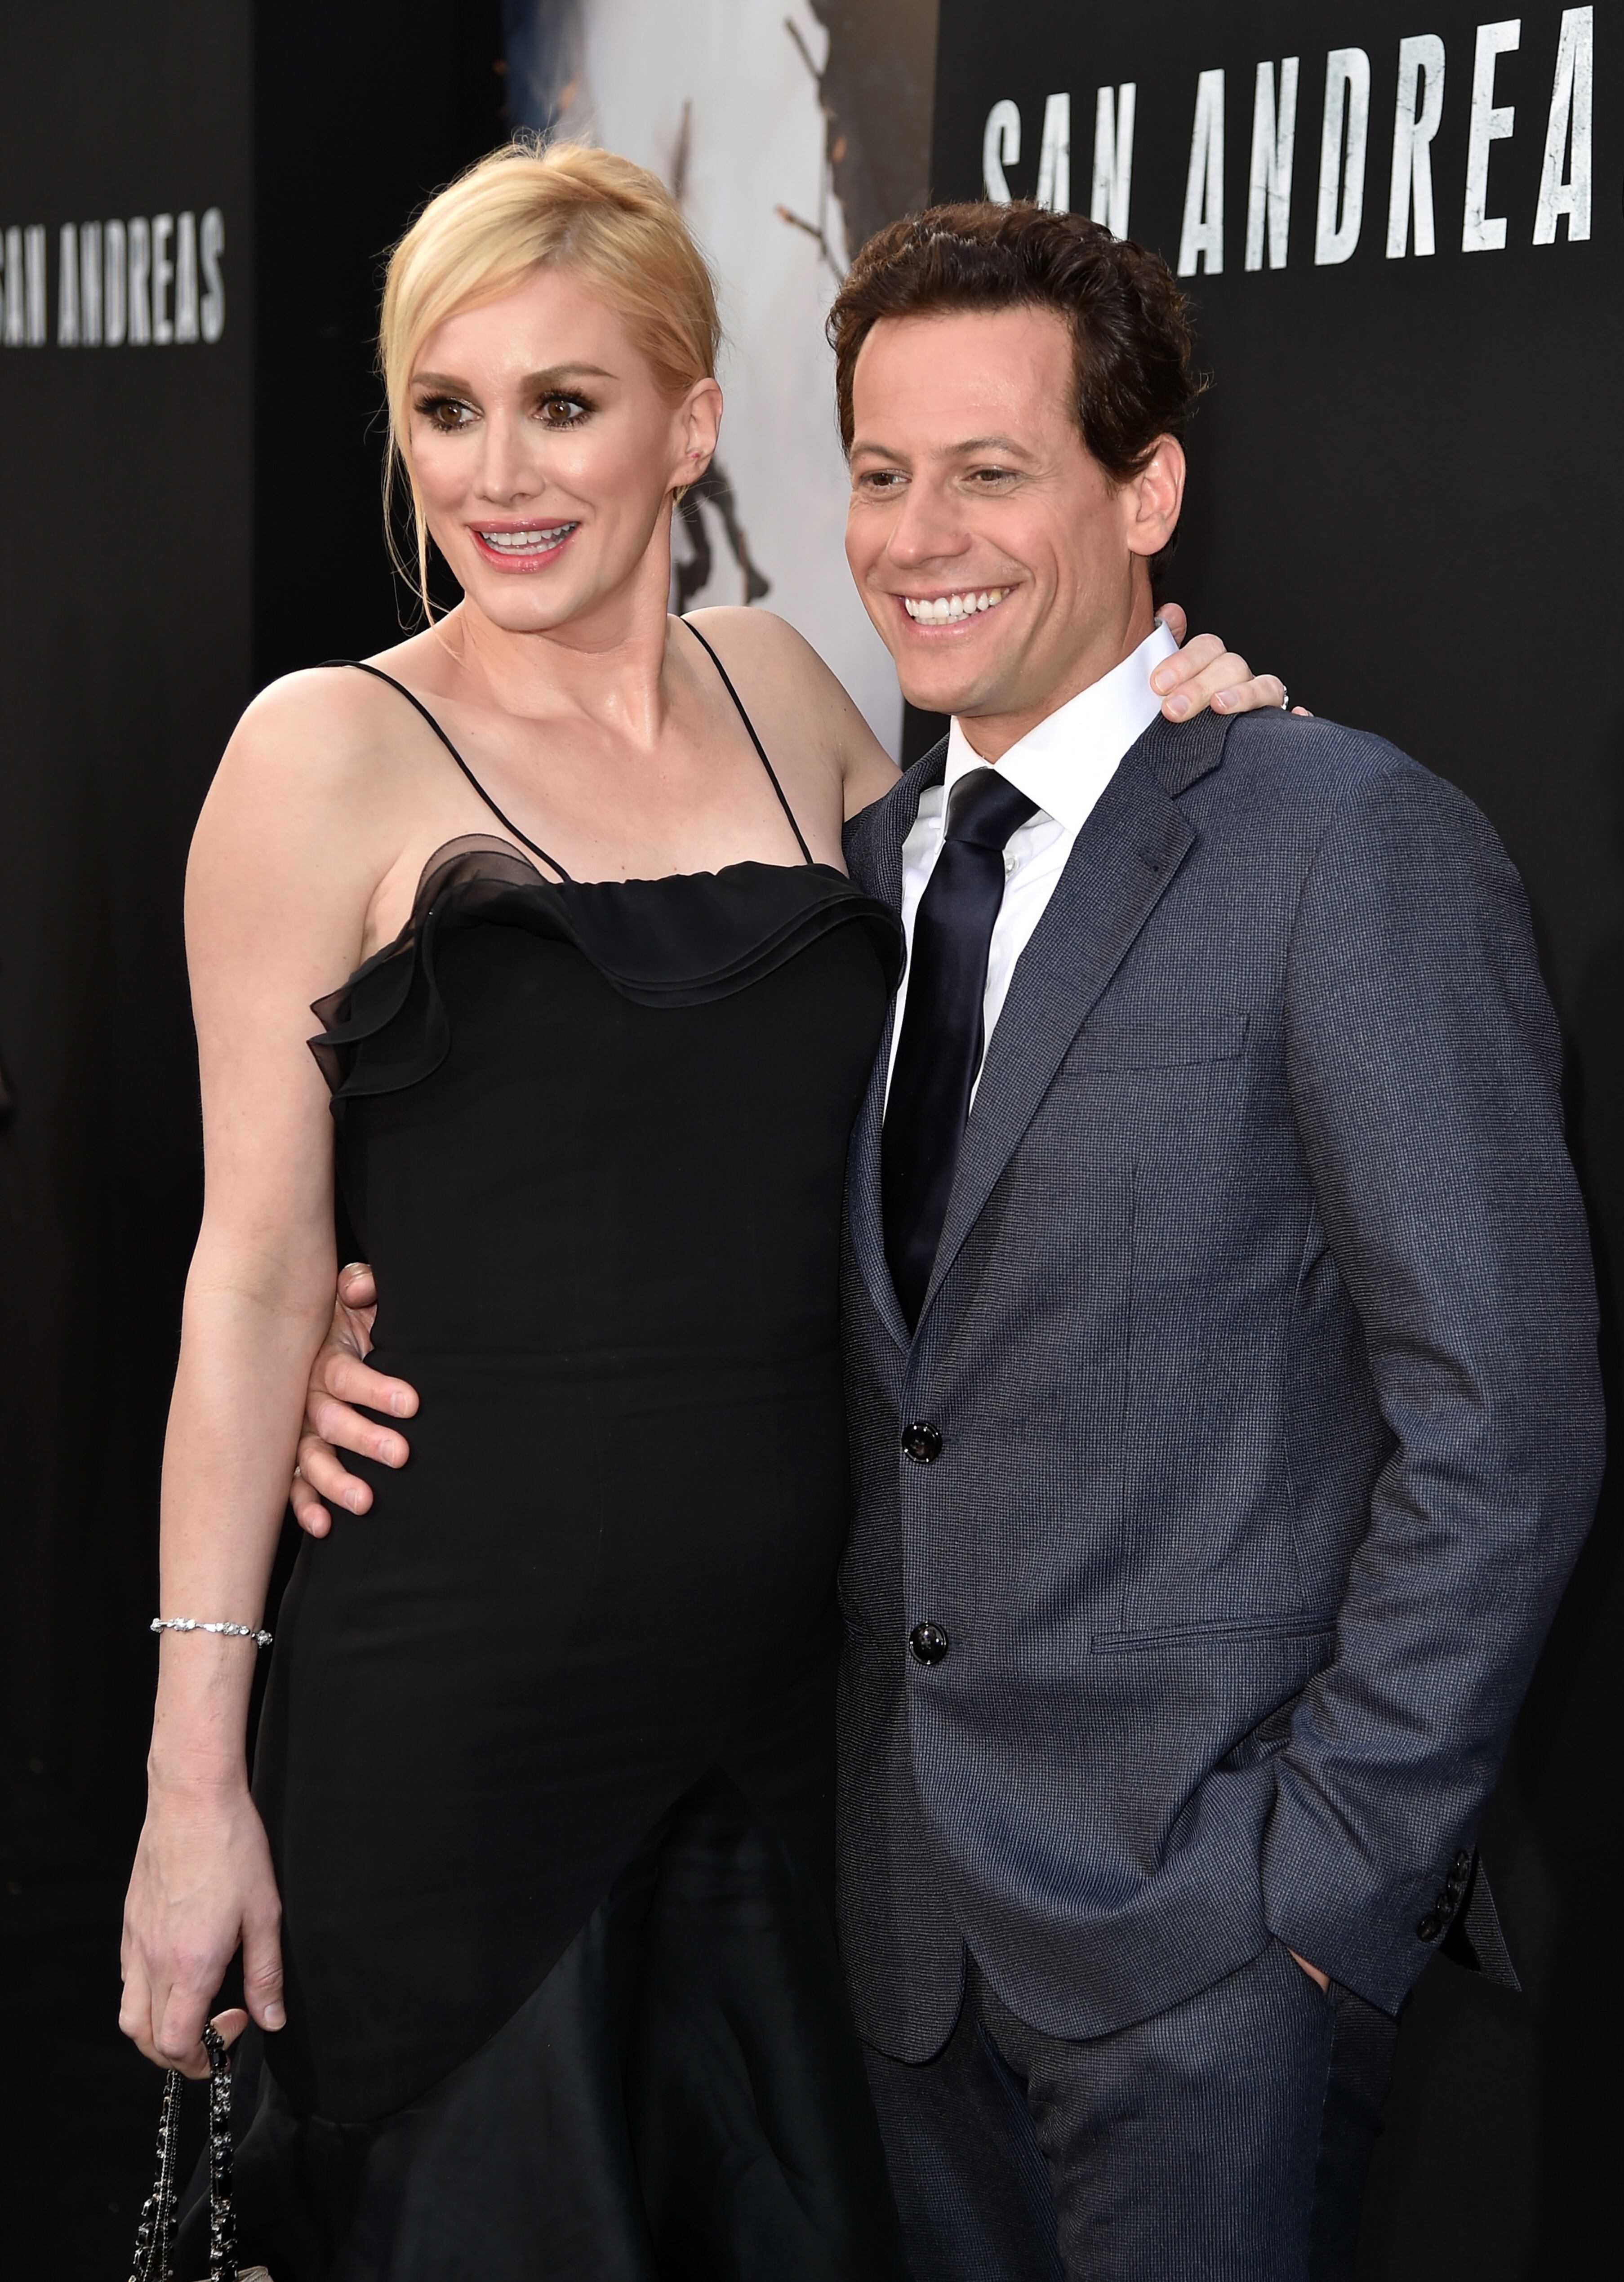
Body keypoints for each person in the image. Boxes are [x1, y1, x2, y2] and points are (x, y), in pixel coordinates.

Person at [297, 201, 1604, 2279]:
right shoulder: (874, 858)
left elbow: (1507, 1429)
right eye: (884, 475)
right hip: (898, 1956)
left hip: (1212, 1968)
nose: (921, 536)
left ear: (1145, 487)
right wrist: (342, 1340)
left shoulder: (1343, 840)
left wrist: (1324, 1902)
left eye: (991, 472)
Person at [119, 146, 1280, 2280]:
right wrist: (194, 1786)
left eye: (563, 404)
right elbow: (257, 1268)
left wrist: (1171, 719)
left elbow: (1017, 971)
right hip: (463, 1719)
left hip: (801, 1715)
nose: (500, 474)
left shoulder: (795, 692)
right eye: (446, 411)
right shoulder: (322, 756)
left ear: (692, 421)